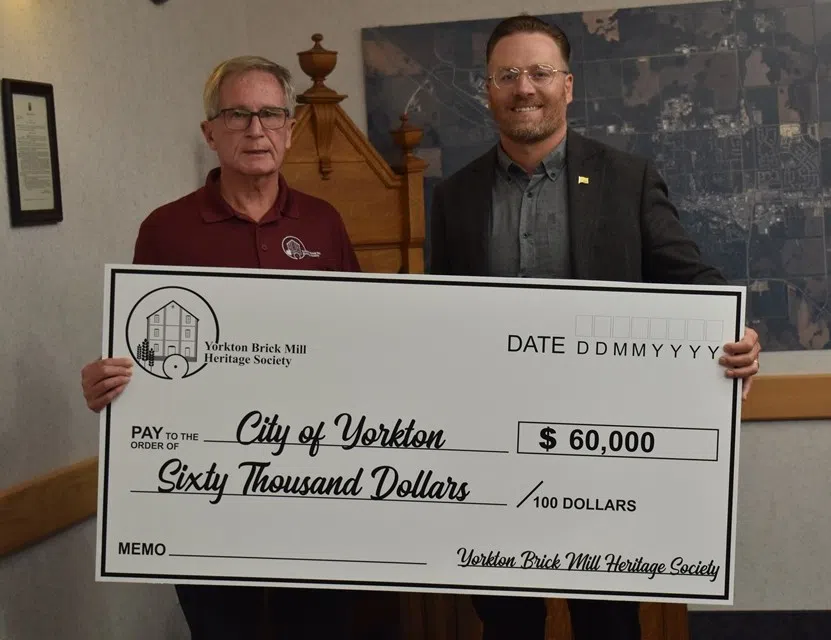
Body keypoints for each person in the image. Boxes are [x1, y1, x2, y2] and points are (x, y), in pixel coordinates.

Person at [428, 14, 762, 640]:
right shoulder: (453, 197)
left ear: (568, 85)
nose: (524, 87)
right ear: (488, 90)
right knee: (505, 620)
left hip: (605, 455)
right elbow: (437, 325)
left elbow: (692, 281)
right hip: (492, 456)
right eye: (507, 75)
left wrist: (738, 333)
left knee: (607, 618)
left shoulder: (627, 180)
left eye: (539, 72)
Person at [80, 56, 361, 639]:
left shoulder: (324, 224)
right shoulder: (165, 230)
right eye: (237, 115)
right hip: (205, 494)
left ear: (289, 129)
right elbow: (147, 355)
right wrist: (110, 384)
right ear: (210, 132)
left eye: (271, 114)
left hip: (316, 487)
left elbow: (361, 344)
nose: (256, 130)